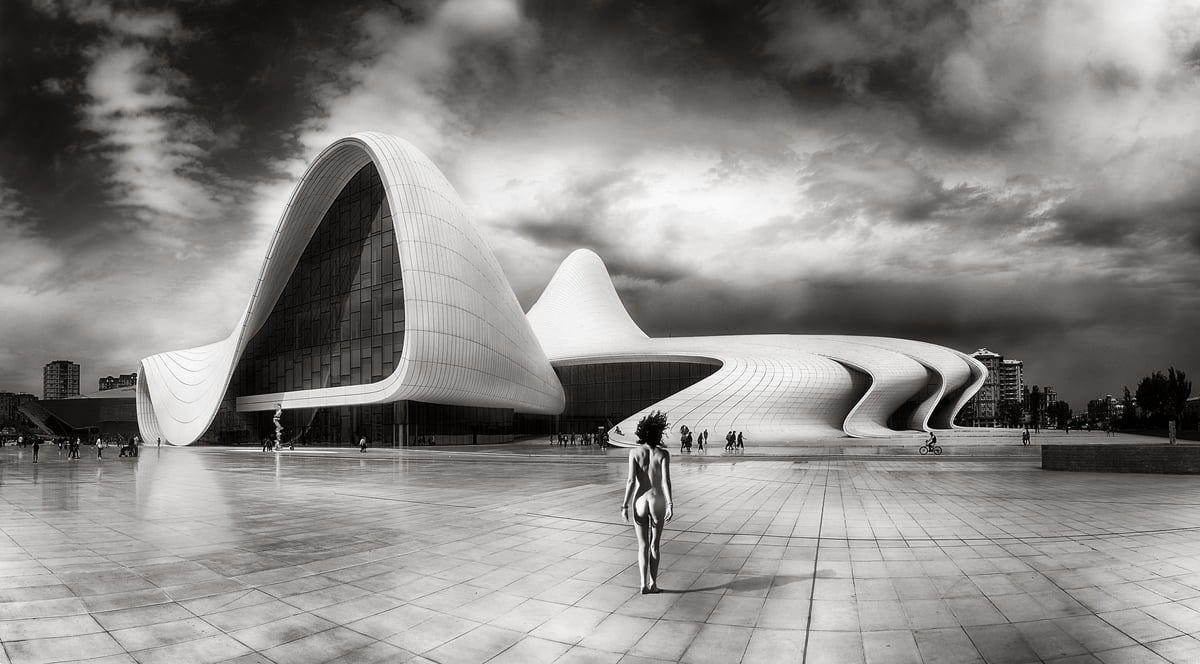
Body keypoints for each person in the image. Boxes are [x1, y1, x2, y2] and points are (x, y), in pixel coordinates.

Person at [621, 411, 674, 594]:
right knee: (654, 545)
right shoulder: (663, 454)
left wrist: (624, 505)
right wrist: (670, 504)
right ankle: (653, 583)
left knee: (642, 545)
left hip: (639, 501)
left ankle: (643, 584)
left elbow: (630, 482)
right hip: (657, 500)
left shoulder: (634, 453)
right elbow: (666, 481)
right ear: (659, 433)